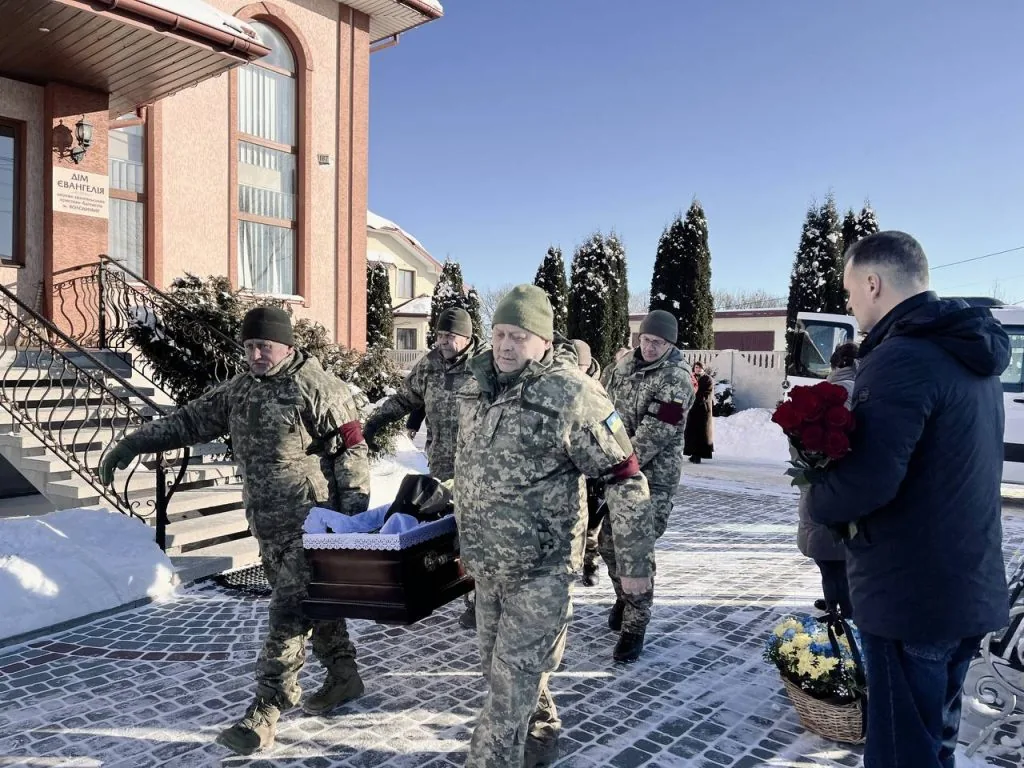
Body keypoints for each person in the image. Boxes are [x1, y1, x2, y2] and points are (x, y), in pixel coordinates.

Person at [99, 307, 371, 756]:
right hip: (267, 523)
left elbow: (352, 452)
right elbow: (188, 421)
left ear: (287, 345)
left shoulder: (318, 388)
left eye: (264, 346)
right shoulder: (239, 390)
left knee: (288, 612)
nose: (256, 354)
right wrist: (134, 442)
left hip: (313, 522)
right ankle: (344, 674)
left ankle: (266, 710)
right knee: (311, 603)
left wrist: (352, 524)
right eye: (249, 347)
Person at [805, 231, 1010, 768]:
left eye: (850, 289)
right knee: (934, 743)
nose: (850, 302)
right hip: (963, 587)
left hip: (911, 596)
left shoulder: (903, 357)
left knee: (901, 753)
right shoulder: (967, 351)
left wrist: (816, 494)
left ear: (873, 283)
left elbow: (869, 481)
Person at [455, 285, 654, 768]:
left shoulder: (573, 393)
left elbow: (625, 478)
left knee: (507, 691)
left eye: (519, 336)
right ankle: (542, 735)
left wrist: (634, 565)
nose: (505, 346)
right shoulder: (476, 386)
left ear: (544, 341)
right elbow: (473, 467)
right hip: (489, 565)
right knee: (500, 671)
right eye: (500, 334)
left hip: (542, 570)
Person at [362, 308, 486, 629]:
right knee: (447, 530)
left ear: (466, 337)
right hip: (442, 465)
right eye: (440, 335)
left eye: (450, 336)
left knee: (475, 532)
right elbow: (406, 399)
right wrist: (376, 420)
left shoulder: (485, 364)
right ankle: (450, 586)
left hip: (479, 468)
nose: (442, 341)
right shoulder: (429, 365)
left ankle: (480, 601)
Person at [598, 310, 694, 662]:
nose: (650, 347)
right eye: (646, 340)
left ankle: (635, 626)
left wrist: (610, 464)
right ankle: (624, 599)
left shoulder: (677, 381)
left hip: (652, 480)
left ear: (671, 344)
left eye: (659, 343)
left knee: (635, 552)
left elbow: (654, 434)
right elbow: (599, 408)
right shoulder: (620, 369)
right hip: (616, 471)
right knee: (608, 545)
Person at [796, 342, 858, 619]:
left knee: (828, 555)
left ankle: (839, 609)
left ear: (834, 365)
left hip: (826, 480)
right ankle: (840, 603)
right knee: (842, 555)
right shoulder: (867, 390)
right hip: (849, 484)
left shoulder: (831, 393)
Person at [571, 339, 604, 587]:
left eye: (577, 365)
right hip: (569, 467)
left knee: (592, 522)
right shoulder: (562, 385)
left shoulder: (598, 390)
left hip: (594, 467)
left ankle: (590, 562)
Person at [683, 369, 714, 464]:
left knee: (701, 433)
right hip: (692, 409)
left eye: (700, 367)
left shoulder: (707, 379)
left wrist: (698, 398)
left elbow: (708, 393)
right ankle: (693, 453)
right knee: (691, 433)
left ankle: (698, 455)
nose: (698, 369)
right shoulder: (691, 378)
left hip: (703, 410)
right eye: (696, 367)